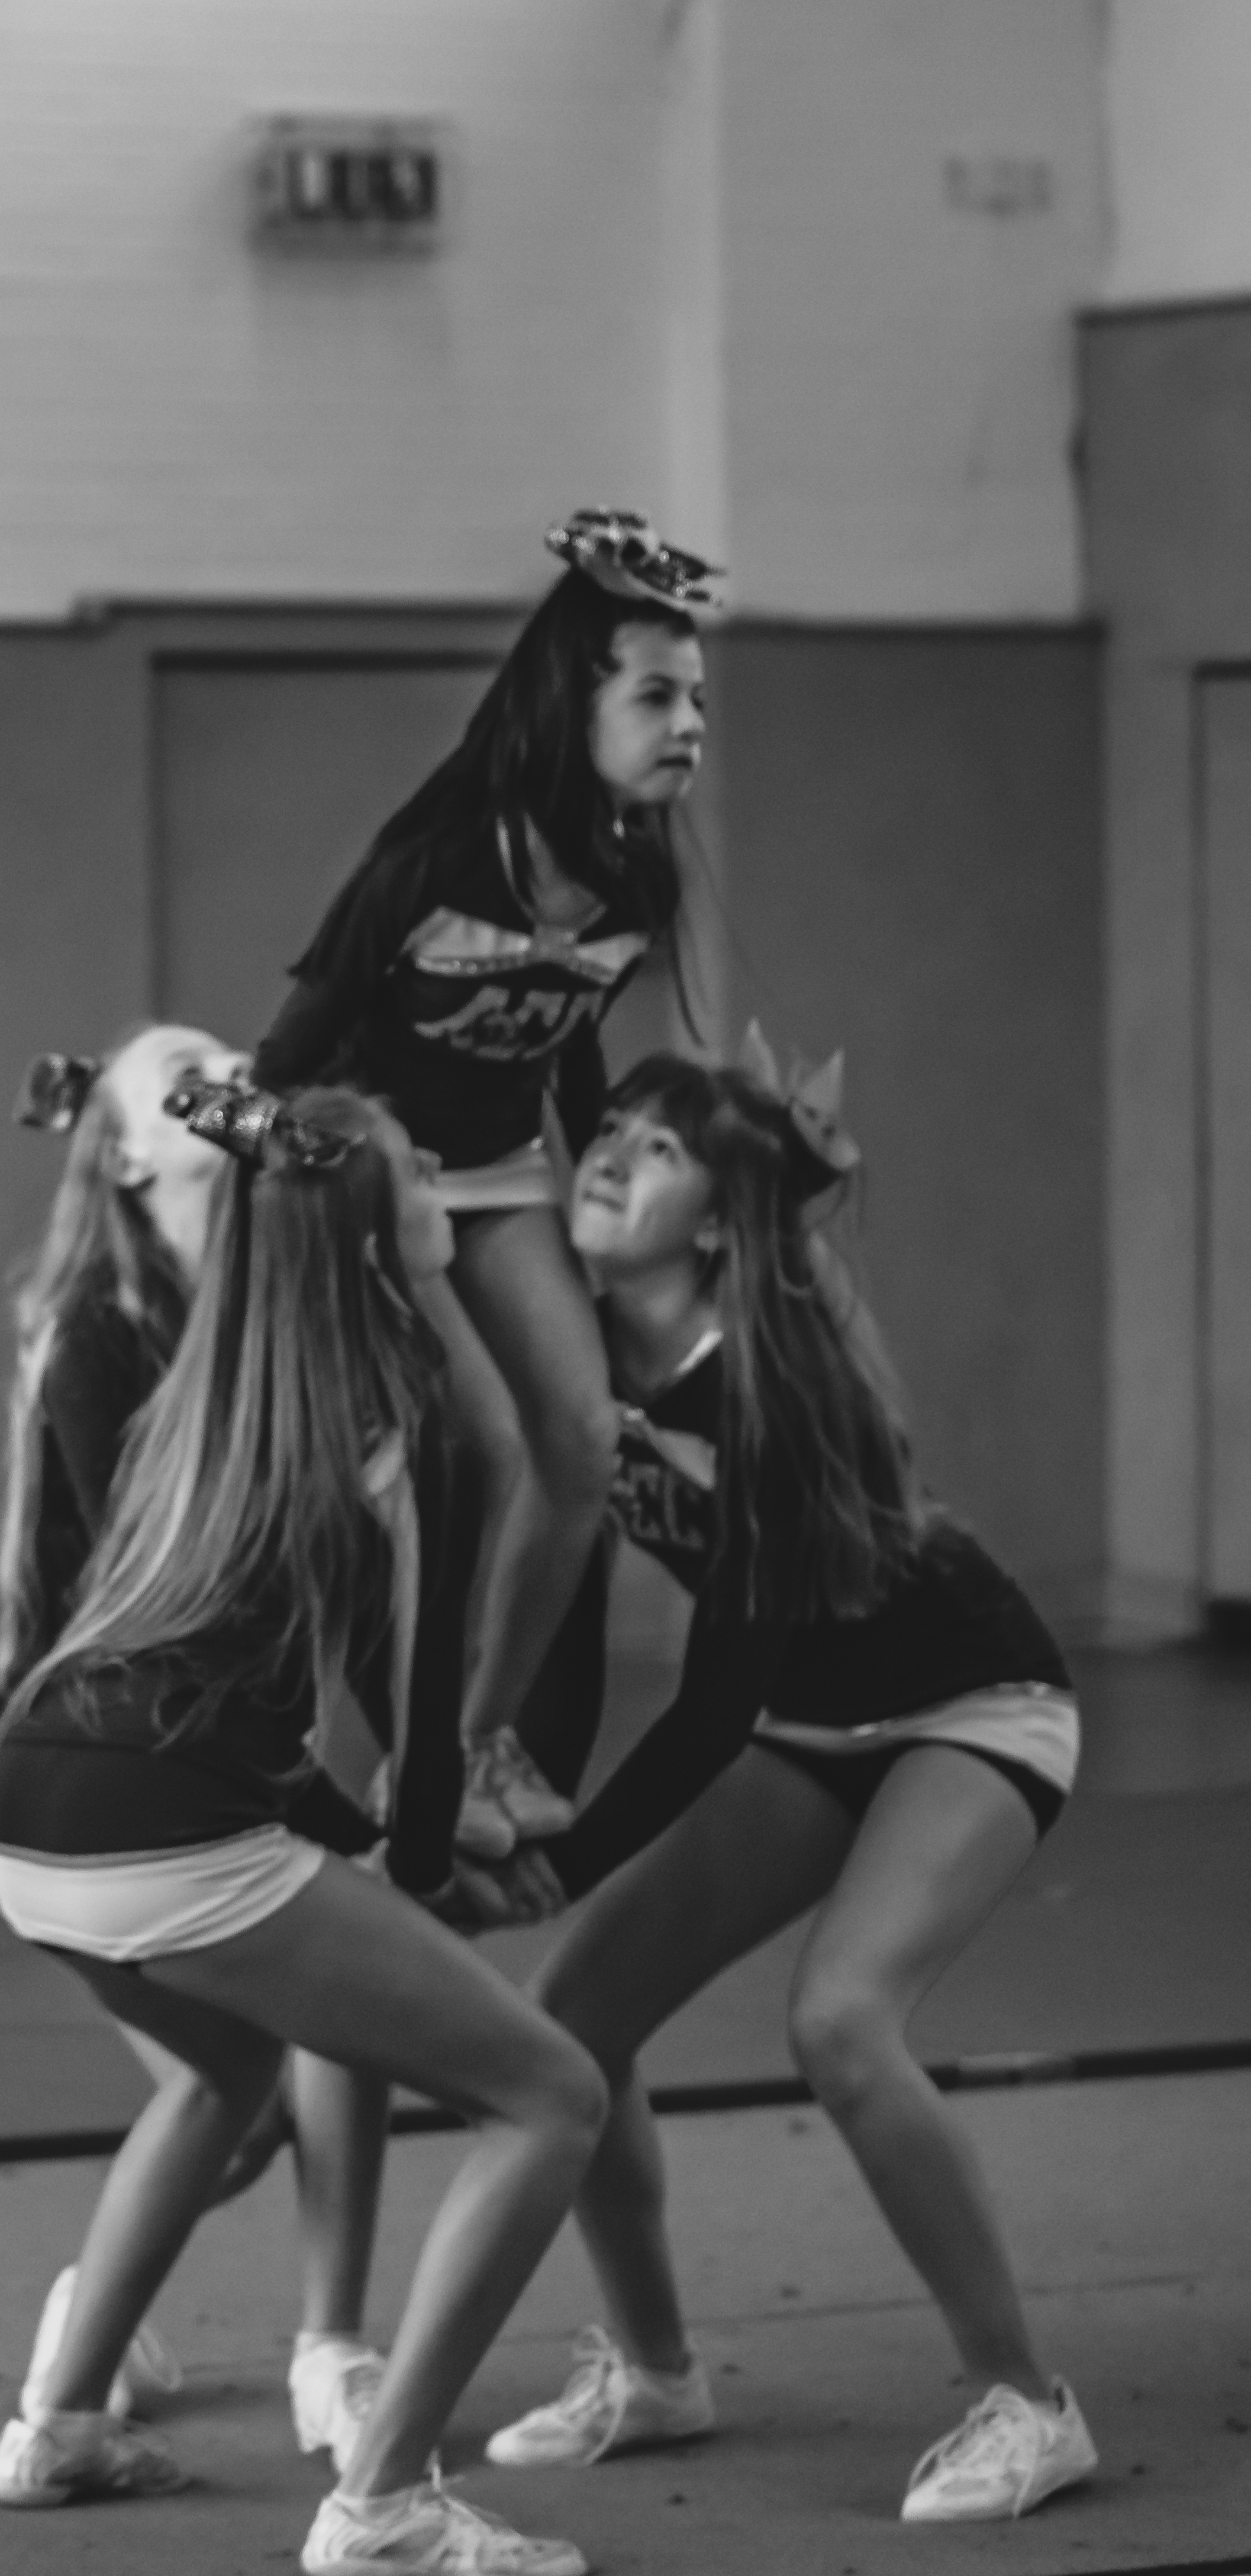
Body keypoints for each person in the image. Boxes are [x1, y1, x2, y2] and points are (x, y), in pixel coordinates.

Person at [0, 1070, 610, 2576]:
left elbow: (250, 1716)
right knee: (552, 2096)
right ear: (381, 1222)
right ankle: (385, 2502)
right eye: (420, 1175)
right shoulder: (396, 1410)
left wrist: (390, 1850)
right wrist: (435, 1853)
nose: (445, 1192)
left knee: (224, 2075)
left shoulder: (200, 1370)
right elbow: (421, 1715)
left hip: (32, 1810)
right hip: (167, 1835)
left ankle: (55, 2423)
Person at [465, 1049, 1095, 2530]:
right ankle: (655, 2367)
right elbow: (557, 1593)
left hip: (972, 1699)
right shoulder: (581, 1360)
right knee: (574, 2024)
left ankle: (1026, 2399)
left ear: (723, 1222)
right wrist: (510, 1779)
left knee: (843, 2019)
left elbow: (714, 1699)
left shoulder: (754, 1378)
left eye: (662, 1145)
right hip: (819, 1716)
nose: (615, 1152)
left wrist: (564, 1856)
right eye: (610, 1128)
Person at [254, 510, 715, 1859]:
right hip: (380, 1184)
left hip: (506, 1177)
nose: (688, 721)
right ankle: (403, 1737)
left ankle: (468, 1746)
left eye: (699, 698)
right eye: (655, 694)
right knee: (487, 1446)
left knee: (584, 1443)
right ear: (567, 707)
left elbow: (570, 1053)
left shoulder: (638, 877)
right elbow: (286, 1064)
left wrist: (612, 1205)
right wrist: (315, 1203)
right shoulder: (438, 864)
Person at [0, 1035, 369, 2496]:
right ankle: (82, 2351)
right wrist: (332, 1799)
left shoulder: (254, 1296)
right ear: (131, 1153)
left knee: (254, 2077)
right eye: (182, 1069)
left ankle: (310, 2341)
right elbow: (161, 1603)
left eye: (229, 1052)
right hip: (89, 1771)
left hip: (192, 1757)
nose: (228, 1069)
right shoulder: (102, 1322)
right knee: (241, 2084)